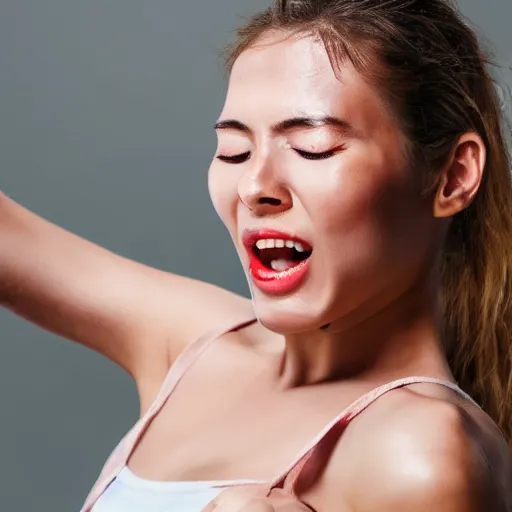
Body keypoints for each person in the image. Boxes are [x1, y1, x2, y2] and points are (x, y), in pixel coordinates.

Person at [1, 0, 511, 510]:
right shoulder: (198, 348)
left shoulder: (419, 454)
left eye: (313, 146)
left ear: (453, 176)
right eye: (233, 151)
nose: (254, 185)